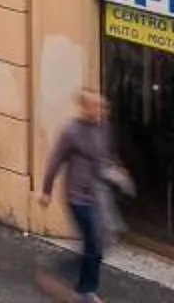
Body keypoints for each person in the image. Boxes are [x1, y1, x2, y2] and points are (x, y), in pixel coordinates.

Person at [37, 88, 129, 303]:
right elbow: (55, 161)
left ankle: (58, 269)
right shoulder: (72, 132)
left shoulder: (104, 127)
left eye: (103, 106)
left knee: (101, 243)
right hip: (78, 197)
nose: (102, 110)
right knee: (94, 244)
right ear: (84, 107)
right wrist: (46, 191)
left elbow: (107, 154)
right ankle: (86, 291)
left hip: (99, 194)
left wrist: (117, 169)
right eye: (96, 106)